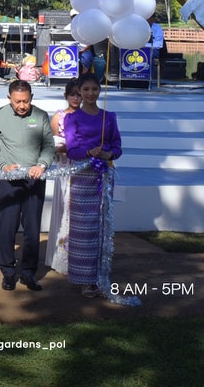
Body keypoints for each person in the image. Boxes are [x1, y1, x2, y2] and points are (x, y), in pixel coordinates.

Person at [0, 79, 54, 292]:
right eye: (17, 101)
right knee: (8, 227)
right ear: (9, 99)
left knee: (32, 228)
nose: (22, 106)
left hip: (35, 180)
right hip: (9, 181)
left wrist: (42, 165)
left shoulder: (41, 116)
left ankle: (28, 273)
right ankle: (8, 272)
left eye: (25, 101)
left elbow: (48, 146)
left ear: (31, 97)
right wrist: (3, 166)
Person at [65, 74, 122, 297]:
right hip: (82, 177)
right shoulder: (73, 118)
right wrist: (89, 152)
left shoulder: (109, 117)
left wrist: (109, 153)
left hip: (104, 176)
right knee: (83, 229)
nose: (90, 93)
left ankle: (101, 275)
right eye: (86, 89)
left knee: (102, 227)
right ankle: (84, 279)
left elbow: (117, 146)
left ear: (100, 91)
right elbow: (71, 150)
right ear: (80, 92)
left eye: (94, 89)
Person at [45, 80, 81, 273]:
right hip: (64, 167)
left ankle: (79, 255)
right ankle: (60, 258)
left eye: (78, 94)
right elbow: (52, 145)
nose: (76, 98)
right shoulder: (58, 116)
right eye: (72, 94)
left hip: (82, 168)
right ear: (66, 96)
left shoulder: (88, 116)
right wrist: (63, 149)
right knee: (63, 210)